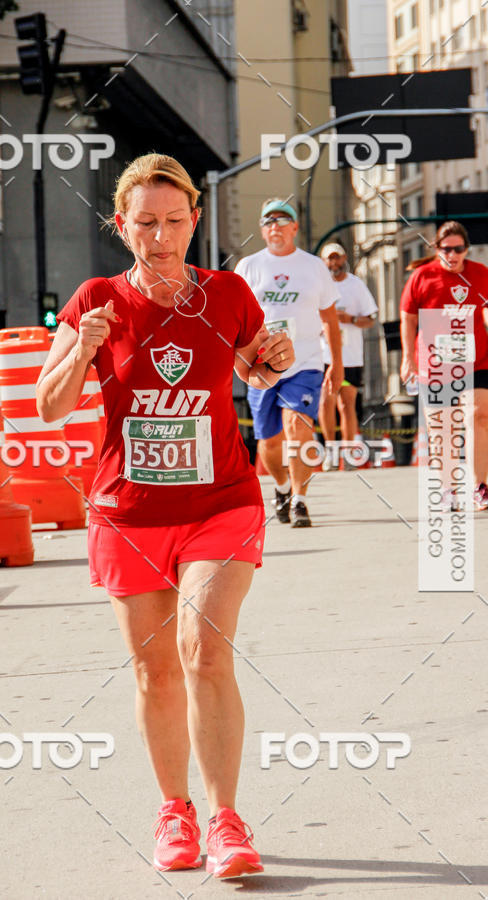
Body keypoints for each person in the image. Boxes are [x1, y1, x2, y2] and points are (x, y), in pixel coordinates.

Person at [36, 154, 294, 878]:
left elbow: (256, 366)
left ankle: (226, 820)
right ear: (121, 226)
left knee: (204, 649)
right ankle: (173, 810)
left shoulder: (227, 293)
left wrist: (275, 356)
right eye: (145, 223)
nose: (161, 236)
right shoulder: (96, 300)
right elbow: (48, 406)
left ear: (194, 221)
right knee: (155, 671)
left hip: (221, 502)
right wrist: (82, 351)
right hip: (130, 511)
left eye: (174, 221)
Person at [234, 198, 344, 527]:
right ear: (261, 230)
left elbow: (330, 320)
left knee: (298, 426)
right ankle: (281, 487)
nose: (276, 227)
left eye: (283, 221)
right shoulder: (248, 267)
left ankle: (300, 500)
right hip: (261, 366)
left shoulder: (313, 266)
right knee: (268, 441)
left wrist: (336, 363)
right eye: (269, 221)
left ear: (295, 227)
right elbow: (234, 319)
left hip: (305, 361)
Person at [400, 220, 488, 509]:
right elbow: (408, 319)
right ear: (436, 248)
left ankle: (479, 486)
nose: (452, 255)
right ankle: (449, 489)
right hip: (435, 365)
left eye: (458, 249)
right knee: (444, 428)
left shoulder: (480, 274)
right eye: (446, 249)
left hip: (476, 361)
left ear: (467, 249)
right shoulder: (422, 277)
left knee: (479, 415)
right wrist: (408, 358)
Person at [318, 243, 377, 470]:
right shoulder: (318, 285)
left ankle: (349, 452)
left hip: (350, 356)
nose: (334, 263)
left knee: (346, 404)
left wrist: (349, 319)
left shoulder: (355, 284)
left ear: (344, 259)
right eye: (329, 259)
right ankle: (331, 450)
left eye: (337, 258)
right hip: (324, 354)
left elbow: (370, 319)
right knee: (326, 401)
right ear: (323, 262)